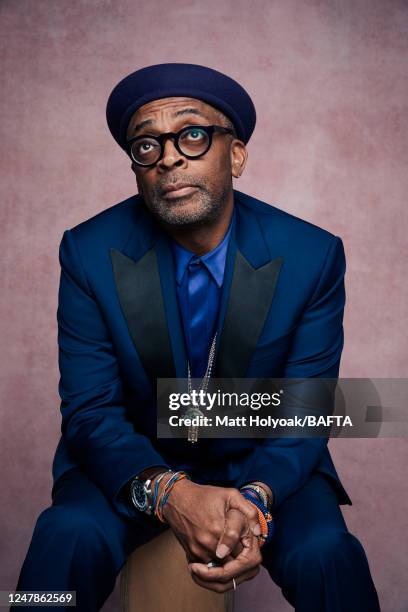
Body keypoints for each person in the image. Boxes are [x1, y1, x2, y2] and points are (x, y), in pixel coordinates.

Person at [15, 63, 381, 611]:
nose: (168, 157)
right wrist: (170, 493)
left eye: (192, 134)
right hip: (135, 454)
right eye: (146, 145)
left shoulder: (312, 255)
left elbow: (306, 411)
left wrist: (254, 501)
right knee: (64, 538)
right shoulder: (88, 253)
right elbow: (91, 411)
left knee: (328, 553)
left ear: (235, 154)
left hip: (263, 457)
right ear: (138, 167)